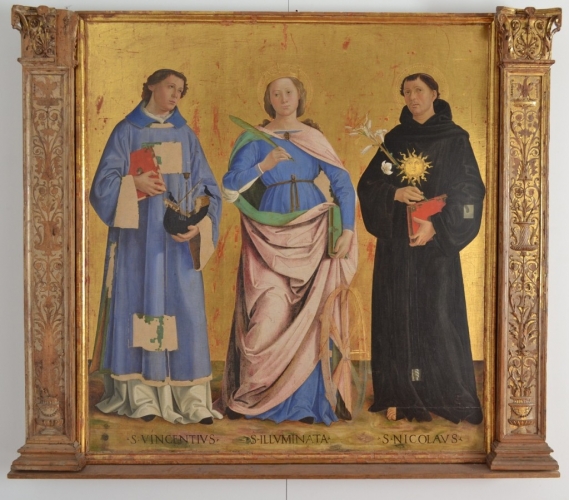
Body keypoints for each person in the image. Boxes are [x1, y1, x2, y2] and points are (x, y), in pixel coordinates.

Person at [217, 75, 358, 425]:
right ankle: (254, 395)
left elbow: (342, 183)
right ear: (269, 100)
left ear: (299, 96)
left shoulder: (313, 138)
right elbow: (230, 186)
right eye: (276, 93)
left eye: (288, 92)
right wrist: (264, 165)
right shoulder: (255, 138)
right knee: (269, 312)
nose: (283, 98)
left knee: (311, 316)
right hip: (268, 233)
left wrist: (348, 229)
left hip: (314, 232)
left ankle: (304, 403)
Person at [89, 69, 222, 425]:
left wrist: (197, 226)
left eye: (181, 90)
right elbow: (101, 186)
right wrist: (133, 183)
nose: (176, 94)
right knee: (141, 307)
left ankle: (190, 398)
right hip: (138, 243)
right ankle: (142, 395)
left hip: (177, 246)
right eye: (170, 87)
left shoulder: (186, 135)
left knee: (185, 312)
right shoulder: (126, 131)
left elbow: (209, 189)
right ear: (151, 86)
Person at [357, 73, 484, 424]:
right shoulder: (394, 139)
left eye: (419, 91)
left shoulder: (455, 139)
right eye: (407, 92)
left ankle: (443, 395)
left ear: (434, 94)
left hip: (436, 249)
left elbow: (470, 193)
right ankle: (401, 395)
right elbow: (369, 185)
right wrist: (394, 193)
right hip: (398, 247)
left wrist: (437, 227)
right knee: (398, 315)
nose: (413, 97)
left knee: (437, 317)